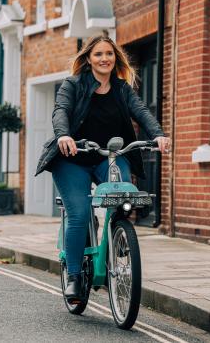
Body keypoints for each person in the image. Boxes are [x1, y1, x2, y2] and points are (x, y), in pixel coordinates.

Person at [35, 34, 171, 304]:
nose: (104, 59)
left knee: (123, 197)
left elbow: (141, 111)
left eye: (109, 54)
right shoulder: (72, 85)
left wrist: (158, 134)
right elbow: (61, 111)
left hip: (107, 156)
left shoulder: (121, 89)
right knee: (79, 213)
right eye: (98, 54)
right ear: (88, 58)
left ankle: (118, 240)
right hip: (72, 157)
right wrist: (64, 135)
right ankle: (74, 275)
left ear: (115, 58)